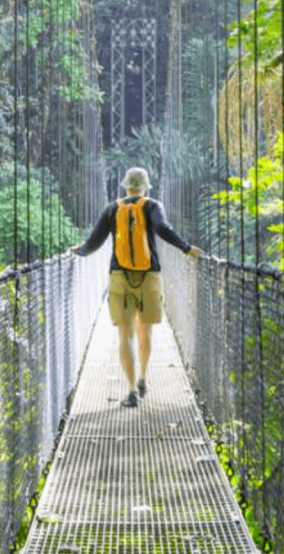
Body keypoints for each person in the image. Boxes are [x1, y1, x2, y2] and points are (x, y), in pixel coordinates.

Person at [71, 167, 203, 407]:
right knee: (146, 330)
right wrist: (186, 248)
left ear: (125, 186)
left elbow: (95, 242)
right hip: (149, 275)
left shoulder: (112, 209)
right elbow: (163, 229)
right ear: (146, 187)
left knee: (125, 334)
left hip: (119, 276)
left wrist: (78, 251)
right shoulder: (153, 206)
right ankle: (143, 378)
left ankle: (131, 391)